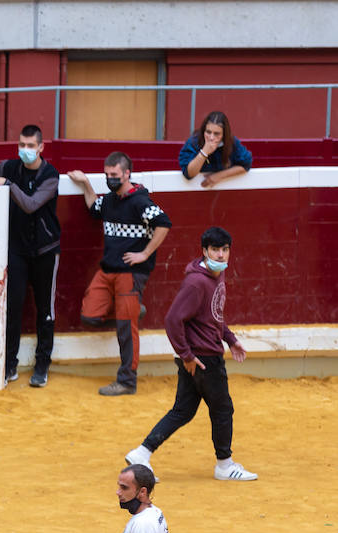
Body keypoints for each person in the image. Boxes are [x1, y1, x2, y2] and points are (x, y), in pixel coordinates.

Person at [124, 227, 258, 482]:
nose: (220, 255)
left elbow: (213, 316)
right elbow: (173, 319)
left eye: (224, 250)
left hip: (198, 355)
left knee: (183, 410)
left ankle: (142, 453)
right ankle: (224, 465)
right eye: (215, 250)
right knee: (222, 410)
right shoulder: (197, 282)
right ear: (204, 251)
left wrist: (230, 339)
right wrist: (185, 354)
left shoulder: (215, 275)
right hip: (203, 358)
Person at [67, 153, 172, 396]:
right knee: (90, 316)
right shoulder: (111, 200)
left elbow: (164, 224)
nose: (110, 179)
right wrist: (85, 183)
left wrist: (145, 254)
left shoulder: (140, 202)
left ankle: (127, 381)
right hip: (108, 269)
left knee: (126, 328)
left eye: (114, 175)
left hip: (130, 272)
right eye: (107, 175)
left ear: (127, 174)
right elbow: (95, 207)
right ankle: (134, 309)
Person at [0, 124, 61, 386]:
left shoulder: (50, 175)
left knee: (45, 309)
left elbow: (31, 205)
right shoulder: (11, 166)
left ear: (41, 147)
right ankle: (9, 365)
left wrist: (7, 184)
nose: (25, 150)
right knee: (13, 306)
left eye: (30, 146)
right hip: (17, 250)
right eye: (22, 145)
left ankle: (42, 365)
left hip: (46, 250)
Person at [179, 110, 253, 188]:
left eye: (216, 133)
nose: (211, 137)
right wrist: (204, 152)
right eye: (208, 132)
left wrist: (218, 176)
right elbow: (188, 174)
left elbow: (245, 165)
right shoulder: (194, 142)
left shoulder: (231, 142)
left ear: (224, 134)